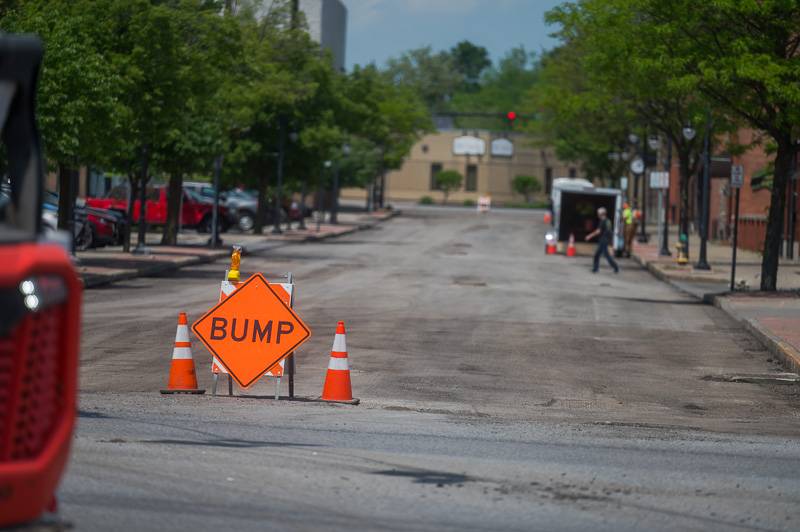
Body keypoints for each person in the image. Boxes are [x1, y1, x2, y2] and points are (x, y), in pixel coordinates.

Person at [585, 207, 619, 273]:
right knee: (598, 255)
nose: (597, 214)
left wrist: (589, 236)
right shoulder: (608, 221)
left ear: (601, 214)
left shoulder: (602, 221)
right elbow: (609, 231)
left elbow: (598, 231)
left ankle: (615, 268)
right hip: (606, 240)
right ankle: (596, 269)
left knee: (605, 255)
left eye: (598, 213)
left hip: (603, 240)